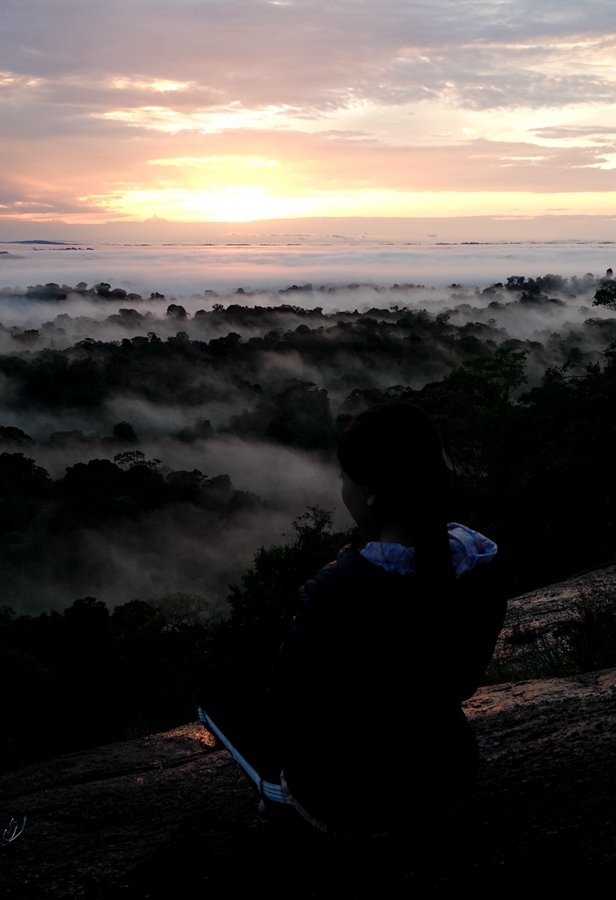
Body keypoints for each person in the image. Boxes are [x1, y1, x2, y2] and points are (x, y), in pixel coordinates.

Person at [198, 401, 506, 838]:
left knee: (219, 684)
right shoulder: (479, 564)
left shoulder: (338, 591)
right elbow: (463, 682)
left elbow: (288, 710)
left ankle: (280, 799)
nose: (342, 488)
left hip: (353, 802)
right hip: (448, 780)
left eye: (345, 478)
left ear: (373, 493)